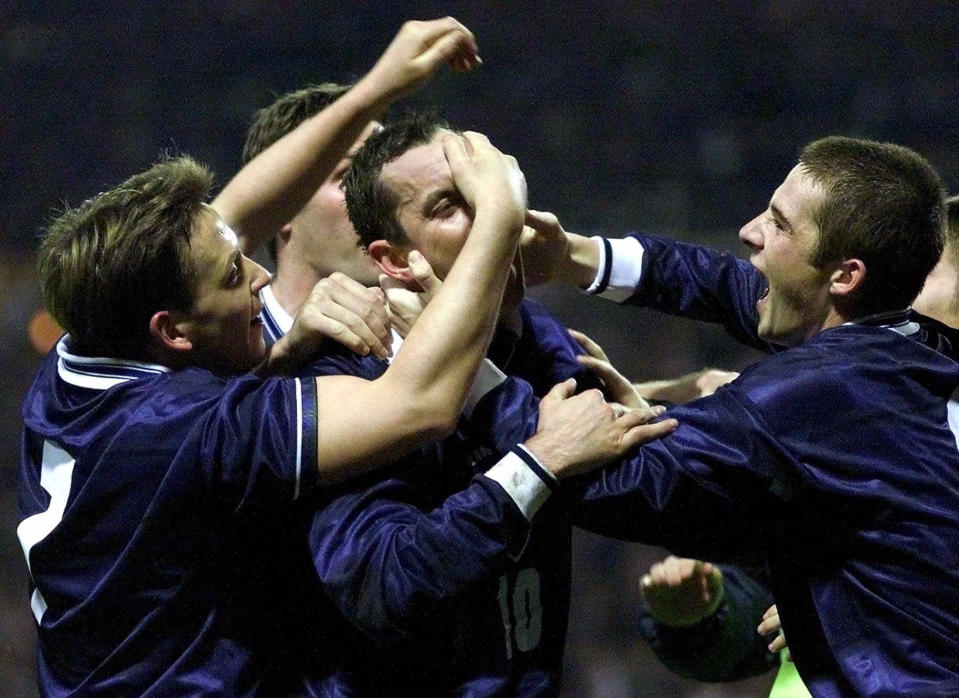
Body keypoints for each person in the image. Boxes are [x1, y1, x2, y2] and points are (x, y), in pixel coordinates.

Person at [16, 19, 616, 695]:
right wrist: (498, 219)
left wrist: (378, 87)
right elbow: (418, 406)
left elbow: (234, 213)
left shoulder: (84, 349)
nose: (260, 275)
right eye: (233, 274)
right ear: (174, 331)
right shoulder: (182, 427)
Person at [501, 135, 959, 695]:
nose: (749, 231)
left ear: (847, 277)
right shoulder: (915, 346)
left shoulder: (818, 393)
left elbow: (614, 482)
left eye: (781, 224)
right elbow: (727, 285)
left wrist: (471, 346)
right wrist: (575, 256)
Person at [268, 112, 677, 695]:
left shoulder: (544, 343)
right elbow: (381, 586)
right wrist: (533, 466)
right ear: (391, 259)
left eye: (487, 190)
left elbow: (634, 489)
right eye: (447, 207)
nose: (492, 217)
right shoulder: (348, 373)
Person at [633, 193, 959, 697]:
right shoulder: (856, 422)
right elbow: (766, 606)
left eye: (921, 275)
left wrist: (866, 614)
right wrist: (701, 619)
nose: (897, 293)